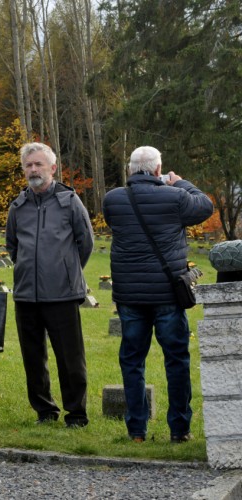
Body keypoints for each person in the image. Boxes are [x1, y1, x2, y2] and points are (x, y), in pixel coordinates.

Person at [103, 146, 213, 443]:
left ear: (130, 169)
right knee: (176, 360)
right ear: (157, 169)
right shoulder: (176, 196)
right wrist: (179, 182)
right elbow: (205, 206)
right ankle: (180, 429)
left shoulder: (113, 199)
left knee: (132, 361)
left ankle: (136, 430)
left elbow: (115, 224)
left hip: (130, 296)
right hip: (167, 293)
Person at [5, 142, 93, 428]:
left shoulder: (70, 201)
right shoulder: (18, 206)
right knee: (33, 358)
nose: (33, 170)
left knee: (70, 358)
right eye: (29, 165)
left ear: (52, 168)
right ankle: (44, 410)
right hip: (27, 294)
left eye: (39, 164)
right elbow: (13, 246)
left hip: (63, 293)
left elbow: (85, 242)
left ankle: (76, 413)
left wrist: (67, 270)